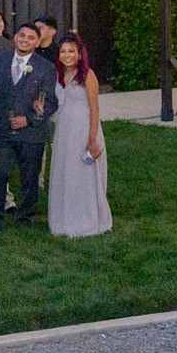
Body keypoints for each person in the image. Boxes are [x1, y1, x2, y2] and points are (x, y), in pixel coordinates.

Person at [0, 22, 60, 224]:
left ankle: (25, 216)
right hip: (2, 129)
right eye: (22, 35)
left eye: (31, 38)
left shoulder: (46, 68)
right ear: (15, 37)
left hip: (32, 132)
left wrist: (28, 119)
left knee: (29, 177)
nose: (25, 40)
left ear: (37, 43)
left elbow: (51, 102)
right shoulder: (0, 61)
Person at [48, 35, 112, 237]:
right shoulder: (58, 75)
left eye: (70, 51)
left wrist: (92, 139)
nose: (67, 56)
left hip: (84, 128)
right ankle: (64, 219)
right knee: (65, 172)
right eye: (63, 52)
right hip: (64, 130)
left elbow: (95, 109)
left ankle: (87, 220)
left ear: (78, 54)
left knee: (82, 174)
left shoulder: (87, 76)